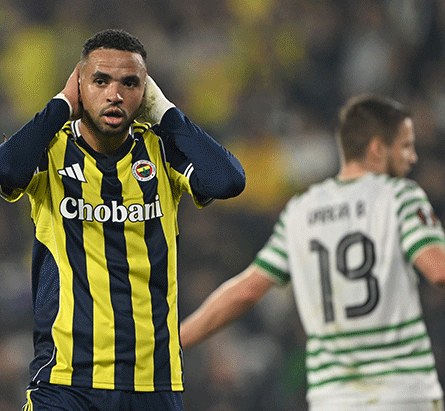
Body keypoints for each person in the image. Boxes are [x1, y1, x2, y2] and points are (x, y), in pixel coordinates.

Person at [0, 29, 246, 411]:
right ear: (79, 85)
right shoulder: (51, 150)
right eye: (100, 81)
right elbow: (5, 169)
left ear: (145, 94)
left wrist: (166, 112)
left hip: (152, 382)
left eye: (130, 83)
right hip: (66, 381)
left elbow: (228, 181)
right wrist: (61, 105)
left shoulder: (162, 151)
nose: (115, 94)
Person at [180, 94, 445, 411]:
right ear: (377, 148)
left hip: (334, 398)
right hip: (403, 392)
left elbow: (246, 291)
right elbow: (439, 270)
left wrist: (175, 340)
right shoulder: (399, 196)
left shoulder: (301, 211)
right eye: (405, 146)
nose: (413, 157)